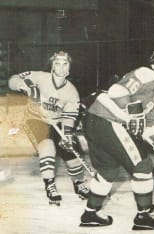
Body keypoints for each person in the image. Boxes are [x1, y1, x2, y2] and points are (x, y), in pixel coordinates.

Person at [79, 48, 154, 230]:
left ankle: (90, 213)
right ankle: (143, 216)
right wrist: (134, 113)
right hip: (108, 121)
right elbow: (116, 90)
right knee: (142, 167)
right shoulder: (147, 74)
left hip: (96, 121)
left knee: (107, 170)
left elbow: (150, 128)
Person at [8, 51, 90, 206]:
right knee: (47, 145)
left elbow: (69, 116)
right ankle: (50, 184)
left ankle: (79, 183)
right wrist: (26, 86)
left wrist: (67, 135)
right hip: (35, 119)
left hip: (56, 122)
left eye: (65, 64)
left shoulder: (72, 91)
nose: (61, 68)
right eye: (57, 63)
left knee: (72, 150)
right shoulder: (40, 77)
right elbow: (12, 80)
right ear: (52, 66)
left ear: (69, 67)